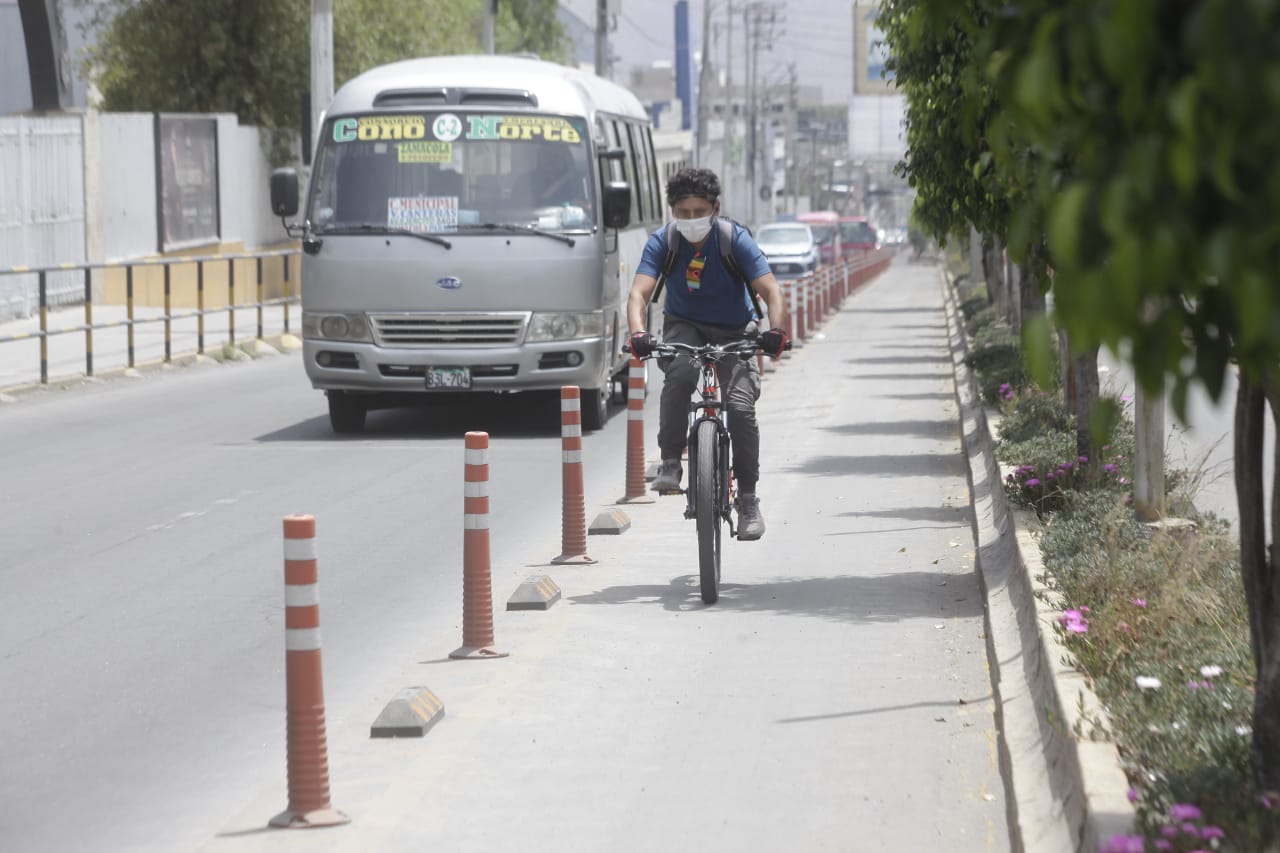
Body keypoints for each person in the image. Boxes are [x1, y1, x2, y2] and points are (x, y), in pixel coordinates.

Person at [625, 167, 789, 541]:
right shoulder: (663, 242)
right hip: (685, 326)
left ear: (715, 208)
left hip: (736, 330)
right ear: (672, 211)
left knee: (742, 407)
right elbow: (638, 295)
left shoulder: (735, 240)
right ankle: (670, 461)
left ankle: (748, 499)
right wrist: (638, 334)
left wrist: (776, 332)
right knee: (680, 376)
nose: (691, 219)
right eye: (683, 212)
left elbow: (771, 291)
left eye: (699, 211)